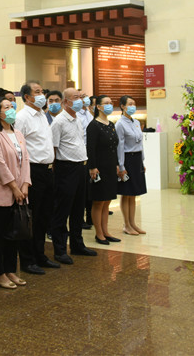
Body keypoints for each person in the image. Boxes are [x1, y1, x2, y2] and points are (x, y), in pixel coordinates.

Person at [0, 97, 31, 289]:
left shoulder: (18, 133)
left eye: (12, 106)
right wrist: (14, 187)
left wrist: (25, 185)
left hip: (21, 191)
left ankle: (11, 270)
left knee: (15, 233)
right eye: (7, 107)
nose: (11, 109)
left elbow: (26, 159)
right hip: (2, 190)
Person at [16, 82, 61, 274]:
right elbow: (18, 149)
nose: (42, 95)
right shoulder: (22, 117)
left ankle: (40, 254)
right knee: (30, 217)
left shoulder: (43, 115)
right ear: (27, 97)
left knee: (44, 216)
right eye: (37, 92)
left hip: (47, 170)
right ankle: (27, 260)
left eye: (42, 91)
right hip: (32, 171)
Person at [50, 88, 97, 264]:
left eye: (80, 97)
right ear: (65, 102)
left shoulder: (77, 119)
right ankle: (60, 249)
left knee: (78, 209)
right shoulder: (58, 122)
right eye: (75, 98)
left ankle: (77, 244)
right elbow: (53, 149)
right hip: (65, 169)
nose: (79, 100)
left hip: (81, 168)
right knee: (62, 210)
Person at [87, 95, 120, 245]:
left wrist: (117, 164)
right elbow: (91, 148)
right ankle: (99, 233)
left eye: (111, 102)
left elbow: (115, 147)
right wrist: (92, 167)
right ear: (98, 107)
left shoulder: (111, 124)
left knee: (107, 201)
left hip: (110, 166)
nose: (109, 105)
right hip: (99, 167)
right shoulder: (93, 125)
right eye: (106, 103)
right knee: (99, 201)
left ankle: (106, 231)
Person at [116, 96, 148, 235]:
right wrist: (121, 166)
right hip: (127, 160)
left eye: (134, 104)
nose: (133, 106)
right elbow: (120, 146)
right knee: (126, 193)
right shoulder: (119, 124)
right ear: (122, 106)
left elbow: (140, 143)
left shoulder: (135, 122)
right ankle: (126, 224)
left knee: (134, 193)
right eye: (130, 104)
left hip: (136, 160)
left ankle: (133, 223)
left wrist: (142, 161)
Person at [76, 90, 94, 229]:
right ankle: (80, 218)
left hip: (90, 151)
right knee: (83, 187)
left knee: (90, 186)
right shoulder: (77, 115)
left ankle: (90, 215)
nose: (85, 99)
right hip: (82, 152)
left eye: (85, 96)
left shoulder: (88, 113)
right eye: (81, 97)